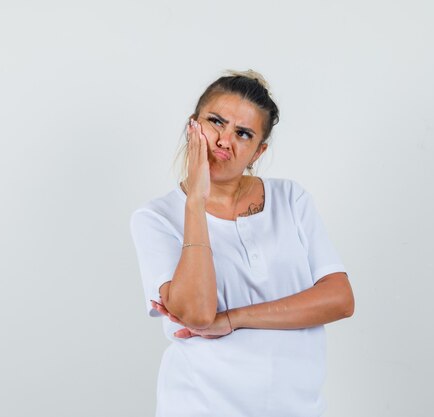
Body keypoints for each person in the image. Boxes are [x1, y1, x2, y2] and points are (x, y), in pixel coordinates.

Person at [130, 69, 354, 417]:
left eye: (243, 133)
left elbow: (339, 299)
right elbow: (198, 313)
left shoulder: (290, 199)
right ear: (193, 126)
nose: (223, 141)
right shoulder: (156, 218)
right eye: (215, 122)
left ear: (258, 151)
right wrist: (196, 202)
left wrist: (234, 318)